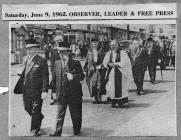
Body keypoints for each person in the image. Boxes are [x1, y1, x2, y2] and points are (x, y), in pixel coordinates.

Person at [15, 41, 49, 136]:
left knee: (35, 110)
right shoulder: (26, 59)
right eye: (28, 49)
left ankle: (35, 129)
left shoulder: (41, 60)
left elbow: (45, 76)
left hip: (37, 90)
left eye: (31, 49)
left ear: (36, 49)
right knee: (27, 107)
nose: (29, 51)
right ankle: (39, 117)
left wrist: (45, 90)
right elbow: (25, 71)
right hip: (26, 89)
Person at [49, 47, 84, 136]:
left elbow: (82, 76)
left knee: (75, 113)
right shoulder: (56, 63)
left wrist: (73, 77)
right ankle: (58, 132)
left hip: (74, 93)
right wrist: (53, 92)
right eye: (60, 52)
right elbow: (54, 79)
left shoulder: (75, 62)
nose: (61, 54)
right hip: (61, 93)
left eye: (64, 52)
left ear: (68, 52)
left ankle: (77, 130)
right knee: (60, 113)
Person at [103, 40, 132, 107]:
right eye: (111, 45)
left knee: (120, 87)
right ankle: (113, 101)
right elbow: (105, 62)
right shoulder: (109, 53)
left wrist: (115, 64)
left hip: (120, 72)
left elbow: (125, 62)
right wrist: (108, 64)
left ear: (117, 45)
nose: (111, 46)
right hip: (111, 73)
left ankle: (120, 102)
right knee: (111, 87)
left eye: (113, 45)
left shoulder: (122, 52)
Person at [84, 39, 102, 104]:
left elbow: (103, 61)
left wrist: (101, 66)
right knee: (92, 84)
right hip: (91, 70)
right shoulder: (89, 51)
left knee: (98, 84)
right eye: (93, 43)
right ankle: (95, 97)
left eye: (96, 43)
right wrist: (84, 69)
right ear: (91, 44)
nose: (94, 44)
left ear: (98, 44)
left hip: (98, 70)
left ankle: (98, 97)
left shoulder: (100, 51)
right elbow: (87, 60)